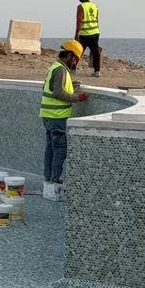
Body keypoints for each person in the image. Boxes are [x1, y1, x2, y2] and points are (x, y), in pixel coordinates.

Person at [40, 39, 90, 201]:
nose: (76, 62)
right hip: (57, 117)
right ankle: (55, 179)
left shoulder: (55, 68)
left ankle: (48, 178)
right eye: (75, 58)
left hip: (48, 116)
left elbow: (52, 88)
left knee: (50, 148)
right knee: (60, 149)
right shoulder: (61, 70)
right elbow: (58, 93)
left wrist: (71, 85)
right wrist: (77, 97)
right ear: (69, 55)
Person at [74, 0, 102, 77]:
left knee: (78, 51)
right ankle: (97, 71)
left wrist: (76, 34)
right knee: (95, 52)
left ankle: (72, 69)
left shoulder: (81, 7)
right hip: (95, 32)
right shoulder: (94, 6)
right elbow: (97, 19)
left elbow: (79, 21)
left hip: (85, 34)